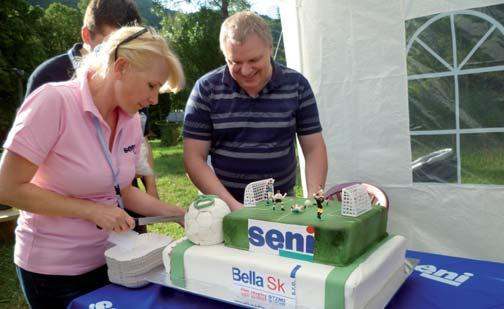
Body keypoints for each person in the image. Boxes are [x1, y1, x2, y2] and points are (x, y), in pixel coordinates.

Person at [0, 26, 185, 308]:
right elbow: (8, 188)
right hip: (54, 273)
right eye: (152, 85)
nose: (154, 99)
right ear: (121, 67)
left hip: (114, 263)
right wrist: (92, 210)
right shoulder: (54, 101)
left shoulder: (131, 120)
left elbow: (122, 188)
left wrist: (176, 213)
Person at [25, 0, 159, 233]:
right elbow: (21, 174)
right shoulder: (49, 79)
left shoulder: (136, 82)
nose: (124, 61)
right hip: (61, 237)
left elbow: (142, 141)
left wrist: (152, 190)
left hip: (125, 206)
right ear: (87, 34)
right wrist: (89, 205)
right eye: (112, 45)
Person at [183, 11, 328, 211]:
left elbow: (313, 148)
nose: (245, 70)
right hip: (223, 207)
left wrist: (313, 197)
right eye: (234, 62)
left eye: (253, 60)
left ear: (270, 48)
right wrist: (233, 207)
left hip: (281, 204)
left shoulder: (297, 86)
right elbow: (193, 158)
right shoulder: (206, 89)